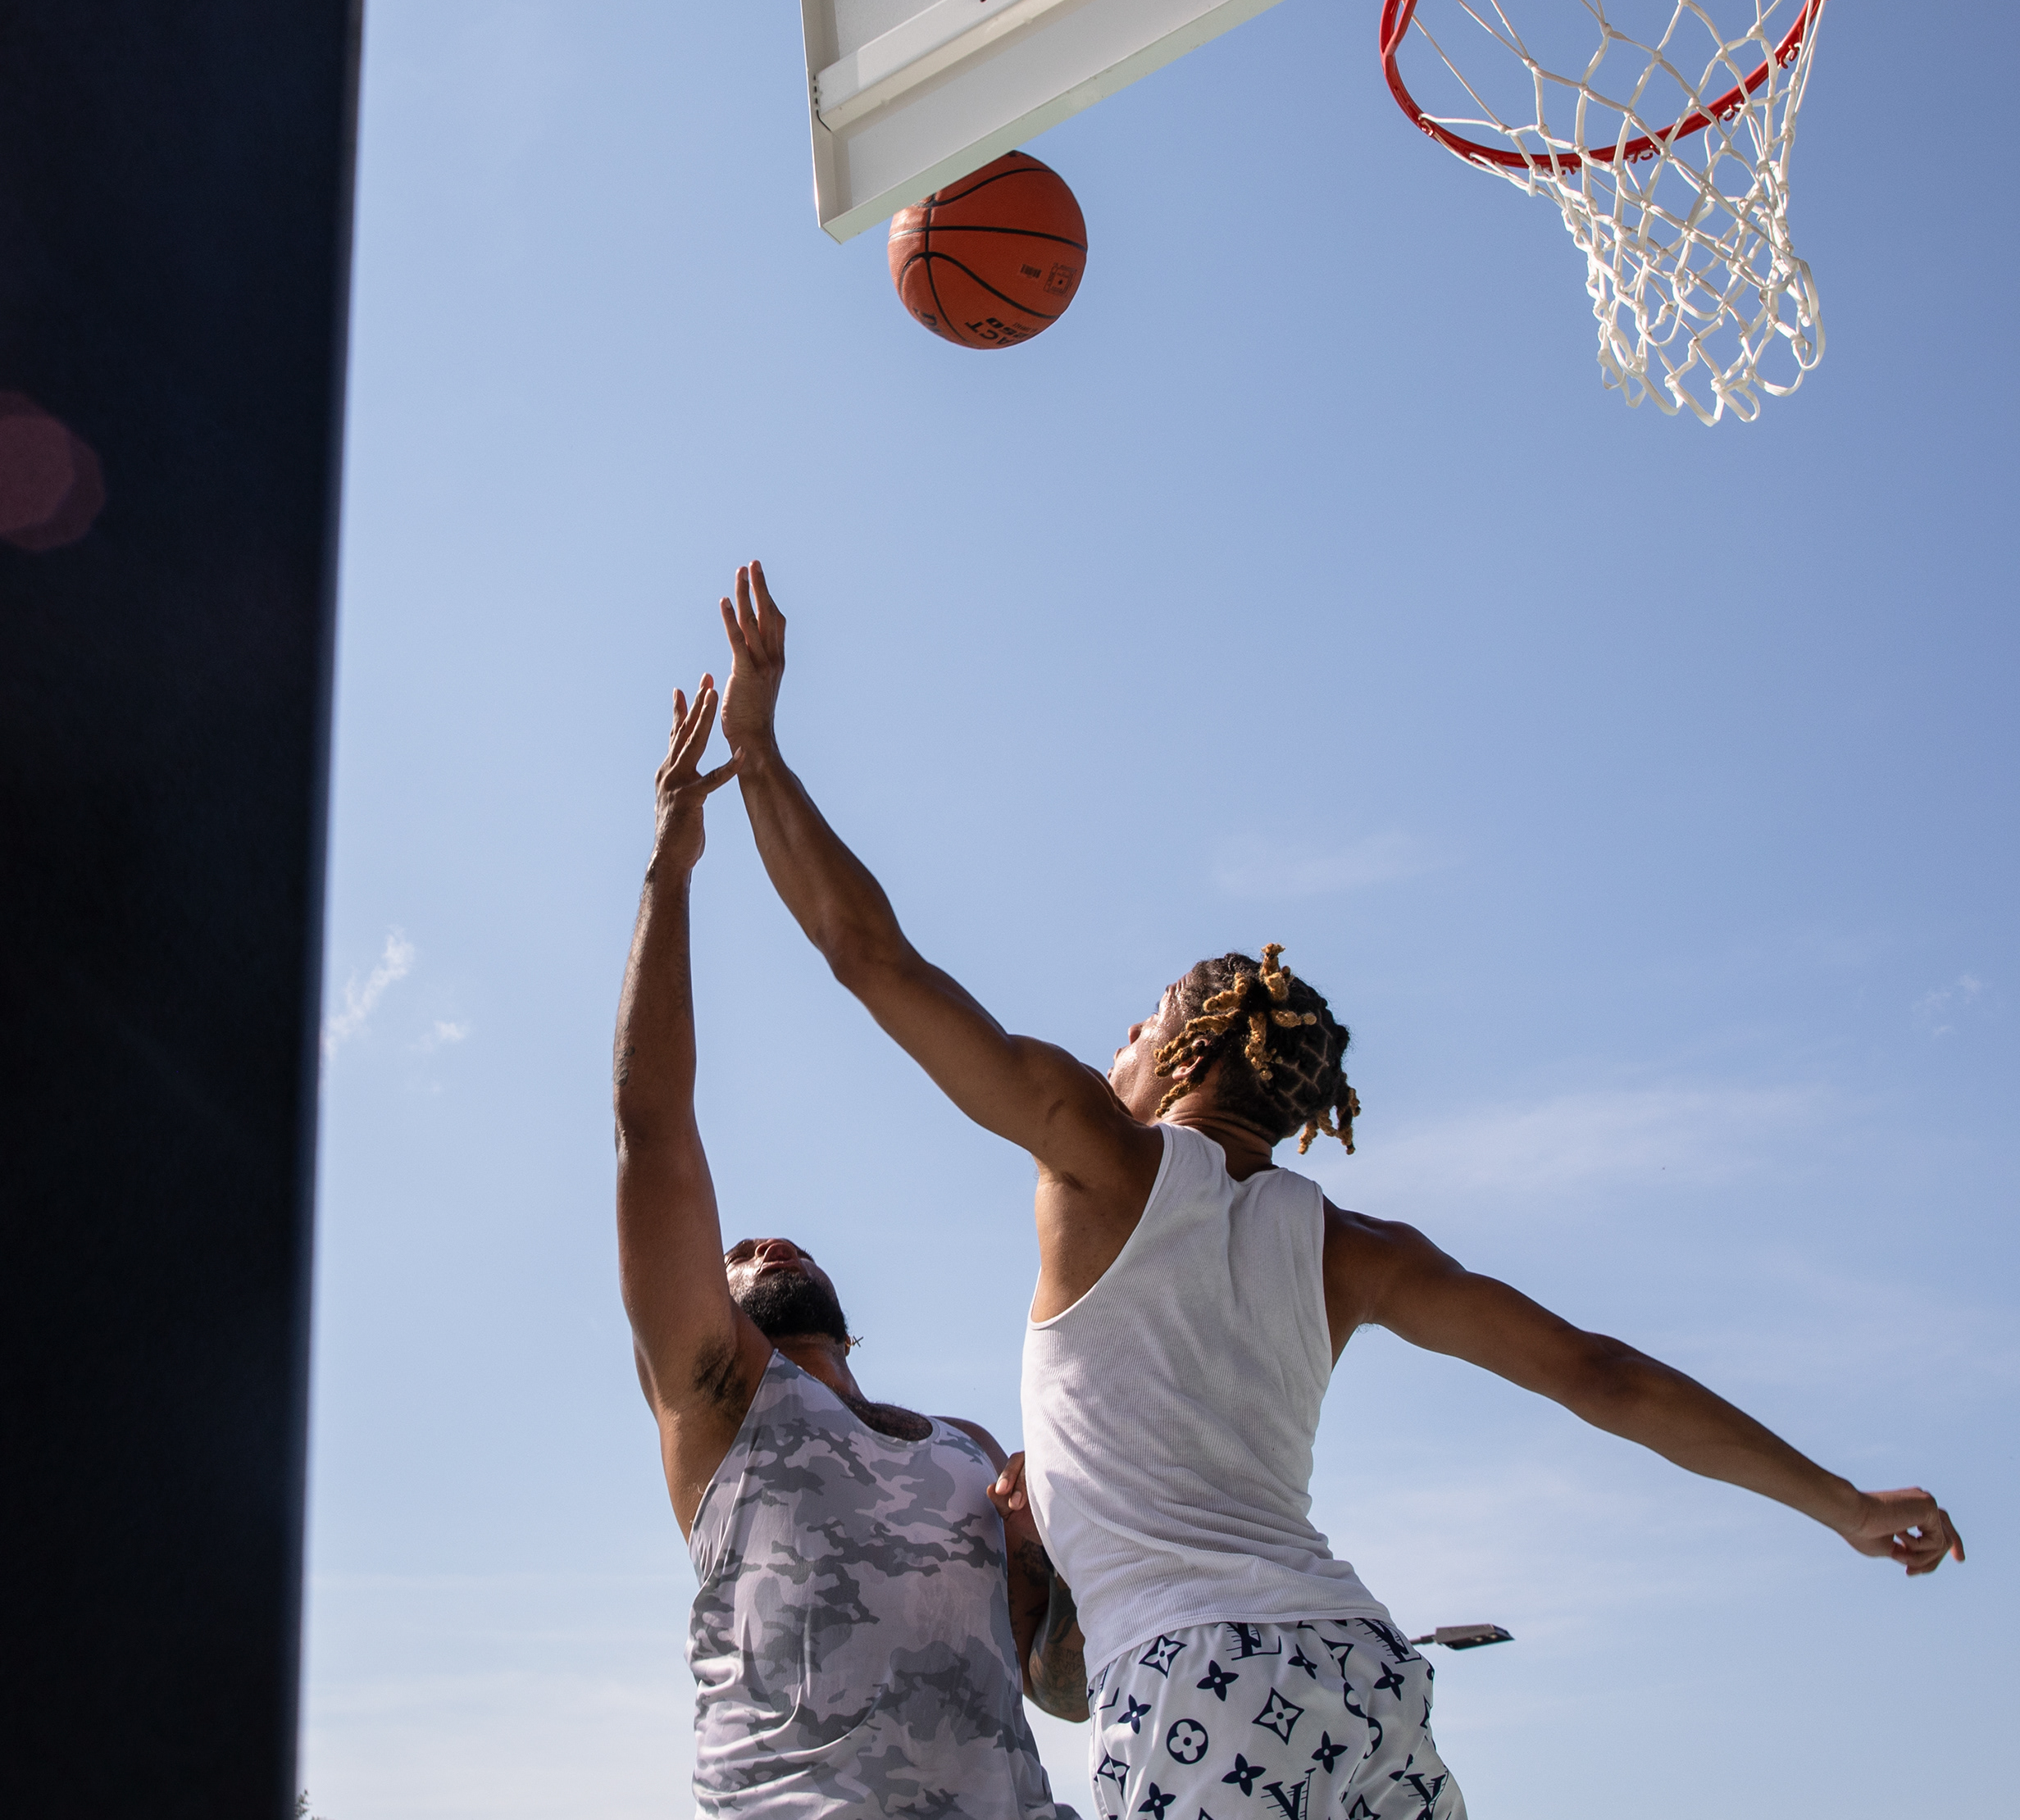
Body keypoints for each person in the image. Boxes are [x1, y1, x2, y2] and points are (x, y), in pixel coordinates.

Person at [706, 560, 1965, 1820]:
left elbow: (868, 954)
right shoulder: (1355, 1250)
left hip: (1198, 1685)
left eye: (1137, 1026)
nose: (1115, 1050)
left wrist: (757, 744)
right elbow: (1605, 1375)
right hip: (1361, 1676)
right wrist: (1839, 1502)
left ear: (1188, 1050)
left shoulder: (1101, 1155)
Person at [616, 675, 1084, 1820]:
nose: (763, 1239)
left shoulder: (971, 1446)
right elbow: (652, 1126)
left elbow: (1059, 1677)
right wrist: (669, 871)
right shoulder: (722, 1397)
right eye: (736, 1254)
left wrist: (1053, 1547)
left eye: (774, 1240)